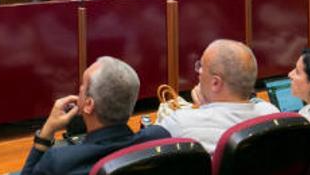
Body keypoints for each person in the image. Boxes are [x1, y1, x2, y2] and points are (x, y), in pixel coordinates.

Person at [21, 56, 170, 175]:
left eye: (83, 86)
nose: (79, 89)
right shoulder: (159, 138)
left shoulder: (59, 162)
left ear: (88, 104)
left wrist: (47, 132)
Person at [157, 39, 278, 154]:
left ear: (215, 83)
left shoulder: (179, 123)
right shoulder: (271, 113)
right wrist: (208, 107)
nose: (199, 71)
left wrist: (202, 110)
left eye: (201, 66)